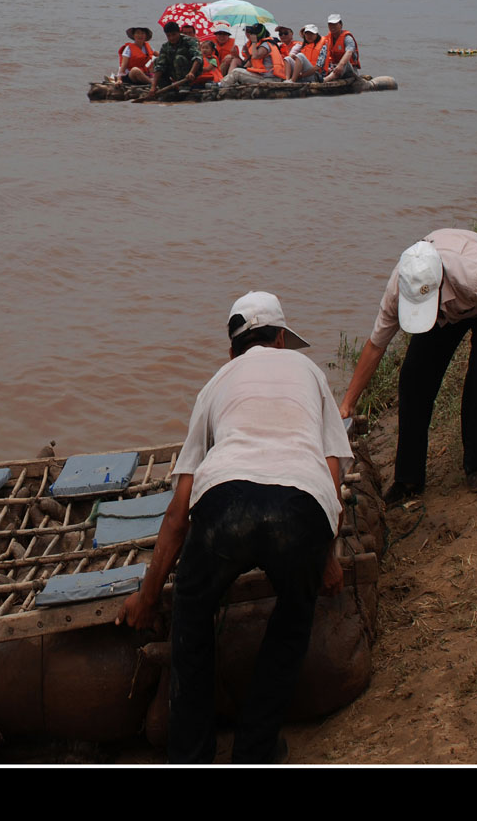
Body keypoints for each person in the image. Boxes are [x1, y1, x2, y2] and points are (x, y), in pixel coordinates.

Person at [116, 291, 352, 763]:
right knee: (292, 619)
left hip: (225, 500)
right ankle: (257, 749)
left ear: (231, 351)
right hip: (301, 503)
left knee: (192, 612)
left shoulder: (217, 383)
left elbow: (180, 508)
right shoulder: (310, 373)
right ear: (282, 339)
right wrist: (326, 557)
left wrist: (148, 596)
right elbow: (331, 474)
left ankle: (191, 753)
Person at [339, 229, 477, 501]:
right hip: (445, 311)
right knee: (412, 381)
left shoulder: (471, 274)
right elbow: (375, 346)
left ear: (438, 286)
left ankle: (476, 467)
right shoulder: (399, 286)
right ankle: (408, 481)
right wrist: (348, 402)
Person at [146, 21, 203, 98]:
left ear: (179, 32)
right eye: (168, 36)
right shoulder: (165, 46)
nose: (171, 38)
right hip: (175, 72)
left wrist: (191, 73)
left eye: (174, 35)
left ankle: (184, 87)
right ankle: (167, 89)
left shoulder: (190, 41)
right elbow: (160, 66)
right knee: (157, 61)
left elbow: (198, 58)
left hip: (191, 72)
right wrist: (153, 87)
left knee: (179, 58)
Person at [219, 23, 286, 86]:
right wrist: (245, 53)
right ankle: (224, 82)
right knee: (237, 70)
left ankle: (220, 85)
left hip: (269, 78)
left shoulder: (266, 45)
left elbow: (255, 56)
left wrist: (254, 42)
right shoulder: (262, 43)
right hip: (263, 75)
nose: (250, 35)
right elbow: (253, 61)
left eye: (253, 33)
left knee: (236, 72)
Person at [319, 13, 361, 82]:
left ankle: (325, 80)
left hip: (348, 69)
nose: (332, 27)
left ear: (341, 25)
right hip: (334, 67)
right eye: (330, 24)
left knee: (344, 63)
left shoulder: (347, 38)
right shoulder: (328, 38)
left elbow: (349, 52)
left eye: (335, 24)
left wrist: (340, 65)